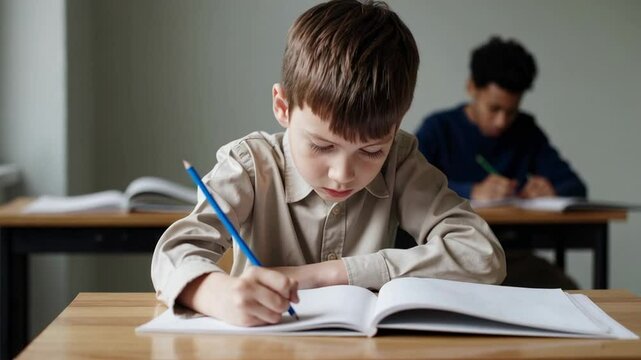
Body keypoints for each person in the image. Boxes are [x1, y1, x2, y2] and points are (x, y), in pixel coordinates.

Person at [152, 0, 506, 327]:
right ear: (283, 107)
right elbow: (173, 253)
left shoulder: (399, 160)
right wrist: (218, 294)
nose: (342, 174)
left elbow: (480, 254)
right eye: (322, 145)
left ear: (396, 126)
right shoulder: (251, 165)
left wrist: (329, 274)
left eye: (371, 151)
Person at [415, 36, 586, 288]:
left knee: (569, 291)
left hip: (512, 255)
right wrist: (471, 191)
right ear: (472, 87)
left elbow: (576, 187)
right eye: (493, 109)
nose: (501, 121)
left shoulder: (525, 130)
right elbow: (413, 185)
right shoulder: (439, 128)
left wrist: (550, 189)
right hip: (447, 253)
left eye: (511, 111)